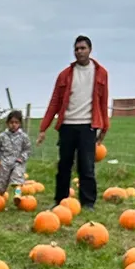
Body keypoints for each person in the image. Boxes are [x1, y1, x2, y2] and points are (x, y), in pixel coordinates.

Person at [37, 35, 109, 209]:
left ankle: (88, 202)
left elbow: (103, 101)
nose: (79, 52)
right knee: (64, 165)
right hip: (67, 125)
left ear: (90, 50)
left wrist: (105, 126)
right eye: (76, 49)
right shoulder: (65, 75)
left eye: (83, 48)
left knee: (87, 166)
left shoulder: (101, 73)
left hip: (88, 125)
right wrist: (43, 128)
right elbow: (55, 102)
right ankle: (60, 200)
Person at [0, 110, 32, 197]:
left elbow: (27, 150)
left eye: (16, 122)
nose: (14, 125)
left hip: (17, 162)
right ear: (7, 123)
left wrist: (22, 158)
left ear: (20, 124)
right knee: (0, 186)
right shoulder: (2, 136)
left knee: (17, 180)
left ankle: (17, 195)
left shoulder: (24, 137)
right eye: (11, 122)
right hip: (4, 163)